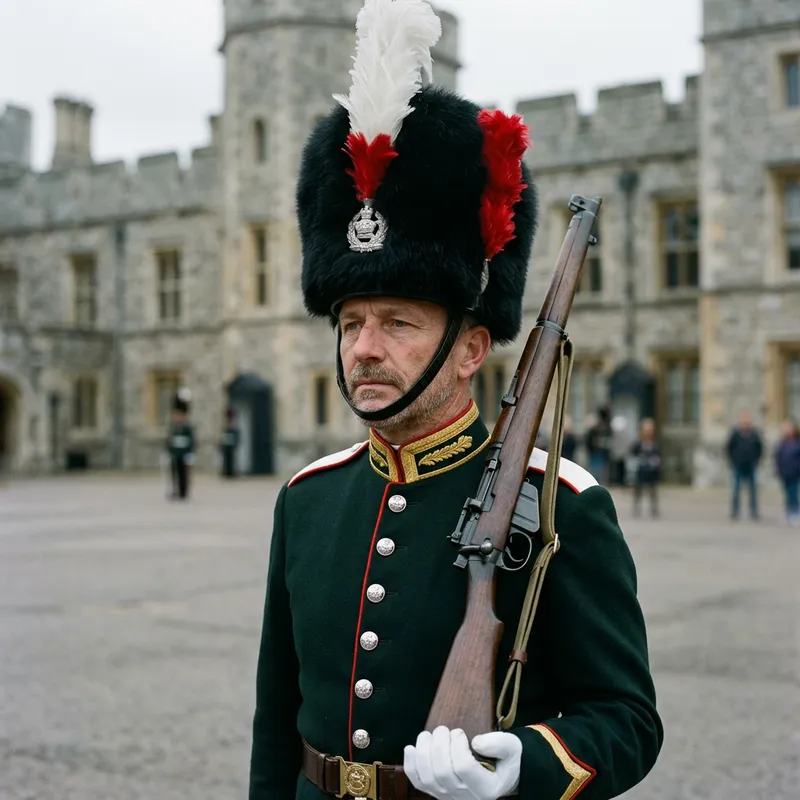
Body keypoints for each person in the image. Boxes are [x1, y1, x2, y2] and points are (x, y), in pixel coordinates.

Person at [248, 3, 662, 799]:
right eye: (352, 321)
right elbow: (278, 725)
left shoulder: (561, 505)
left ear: (471, 347)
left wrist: (527, 765)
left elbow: (626, 717)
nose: (364, 347)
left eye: (399, 322)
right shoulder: (308, 499)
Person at [726, 410, 763, 520]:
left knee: (753, 490)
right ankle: (735, 511)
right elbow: (729, 448)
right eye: (744, 420)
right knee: (736, 489)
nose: (745, 422)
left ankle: (754, 511)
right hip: (739, 464)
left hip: (751, 465)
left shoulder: (754, 433)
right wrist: (733, 460)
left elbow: (760, 448)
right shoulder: (735, 433)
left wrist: (757, 460)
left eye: (747, 420)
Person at [165, 388, 195, 500]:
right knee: (174, 473)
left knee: (184, 473)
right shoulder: (173, 428)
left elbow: (191, 441)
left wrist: (191, 453)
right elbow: (170, 440)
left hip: (183, 453)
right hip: (175, 453)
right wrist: (168, 450)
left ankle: (184, 491)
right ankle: (175, 490)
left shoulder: (187, 428)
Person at [630, 418, 661, 518]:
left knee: (653, 491)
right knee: (638, 491)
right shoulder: (638, 444)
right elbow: (632, 456)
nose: (649, 432)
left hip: (652, 472)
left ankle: (654, 509)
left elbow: (658, 456)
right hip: (640, 470)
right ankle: (636, 509)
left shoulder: (655, 444)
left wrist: (655, 462)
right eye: (647, 430)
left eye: (651, 430)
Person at [774, 419, 800, 526]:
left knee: (793, 494)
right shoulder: (782, 443)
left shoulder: (797, 443)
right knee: (787, 495)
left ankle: (795, 513)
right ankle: (788, 513)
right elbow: (778, 457)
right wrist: (778, 469)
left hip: (795, 473)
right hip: (785, 473)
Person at [584, 405, 612, 485]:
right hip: (595, 454)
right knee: (597, 473)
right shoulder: (596, 429)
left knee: (600, 474)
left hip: (601, 454)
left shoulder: (605, 428)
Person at [220, 407, 240, 479]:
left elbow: (237, 437)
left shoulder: (235, 428)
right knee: (226, 460)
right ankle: (227, 472)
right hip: (227, 446)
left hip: (232, 446)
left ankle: (232, 472)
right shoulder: (225, 428)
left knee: (233, 460)